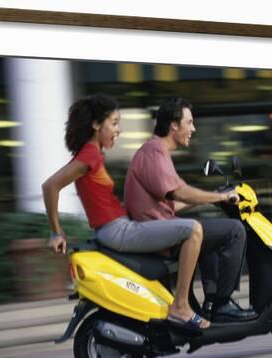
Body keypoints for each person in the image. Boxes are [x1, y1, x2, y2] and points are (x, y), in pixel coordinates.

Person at [41, 94, 209, 329]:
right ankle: (180, 307)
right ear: (96, 125)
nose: (119, 130)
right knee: (193, 230)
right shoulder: (89, 155)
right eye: (114, 123)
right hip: (118, 231)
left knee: (185, 228)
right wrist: (56, 233)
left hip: (118, 228)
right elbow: (50, 186)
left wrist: (202, 200)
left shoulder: (93, 154)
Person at [124, 97, 255, 321]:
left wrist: (211, 198)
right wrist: (222, 196)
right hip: (158, 235)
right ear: (174, 124)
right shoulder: (154, 152)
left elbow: (172, 202)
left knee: (210, 232)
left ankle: (213, 300)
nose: (193, 129)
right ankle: (222, 303)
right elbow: (179, 192)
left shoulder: (155, 151)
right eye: (189, 122)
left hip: (160, 230)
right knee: (234, 230)